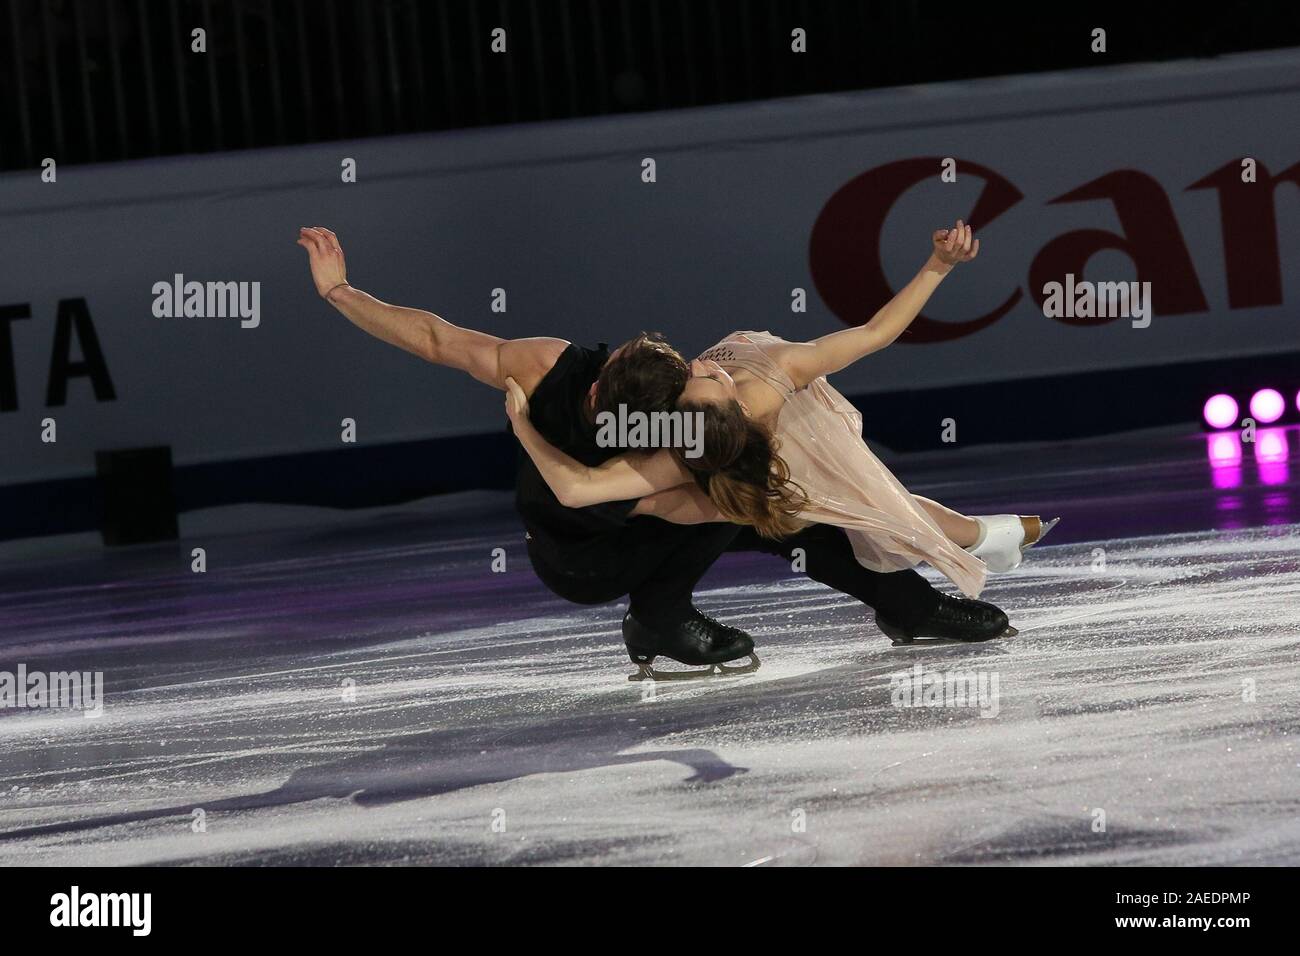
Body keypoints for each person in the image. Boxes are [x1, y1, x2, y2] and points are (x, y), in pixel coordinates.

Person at [297, 225, 1010, 681]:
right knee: (738, 503)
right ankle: (658, 616)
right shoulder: (548, 368)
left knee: (765, 501)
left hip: (624, 502)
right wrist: (340, 292)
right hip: (579, 557)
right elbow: (435, 338)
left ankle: (907, 605)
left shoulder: (672, 429)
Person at [505, 221, 1053, 648]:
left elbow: (875, 333)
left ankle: (964, 554)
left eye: (704, 377)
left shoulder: (756, 386)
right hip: (776, 471)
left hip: (790, 451)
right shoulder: (704, 436)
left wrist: (938, 263)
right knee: (868, 508)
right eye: (704, 379)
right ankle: (979, 541)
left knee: (859, 508)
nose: (708, 369)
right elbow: (579, 493)